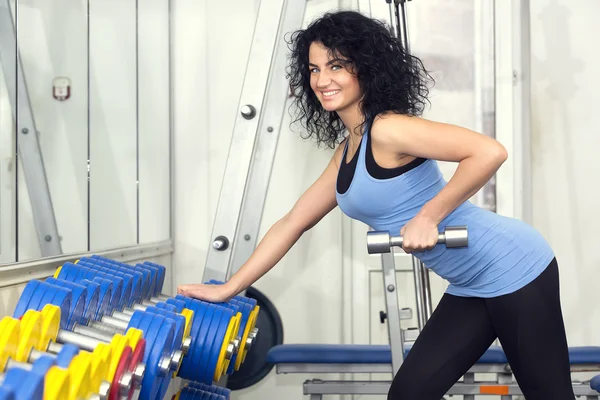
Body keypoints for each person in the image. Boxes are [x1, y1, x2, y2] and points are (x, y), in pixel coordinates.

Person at [178, 10, 574, 400]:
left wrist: (428, 215)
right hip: (472, 282)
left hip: (514, 264)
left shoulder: (388, 128)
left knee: (548, 393)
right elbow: (293, 222)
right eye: (314, 69)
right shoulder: (349, 148)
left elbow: (488, 152)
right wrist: (231, 288)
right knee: (409, 393)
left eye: (336, 66)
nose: (322, 79)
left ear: (365, 68)